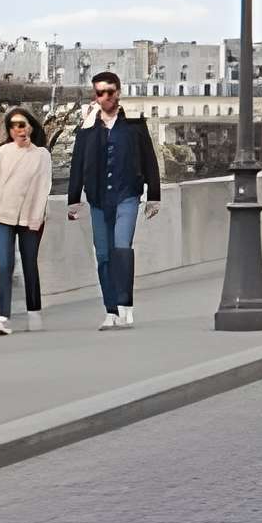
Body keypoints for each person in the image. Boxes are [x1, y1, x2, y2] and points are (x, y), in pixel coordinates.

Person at [68, 70, 164, 329]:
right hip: (98, 198)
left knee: (122, 247)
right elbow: (78, 164)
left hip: (128, 195)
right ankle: (110, 310)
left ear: (118, 93)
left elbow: (149, 159)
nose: (106, 97)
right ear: (95, 96)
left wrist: (153, 195)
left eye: (110, 92)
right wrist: (73, 198)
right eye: (100, 93)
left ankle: (125, 305)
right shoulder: (87, 128)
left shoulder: (134, 124)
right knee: (103, 254)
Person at [0, 107, 52, 336]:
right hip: (1, 215)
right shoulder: (2, 152)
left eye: (23, 124)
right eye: (14, 126)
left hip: (31, 217)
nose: (19, 129)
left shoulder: (42, 155)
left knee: (30, 264)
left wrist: (36, 217)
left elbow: (43, 188)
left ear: (31, 126)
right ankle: (3, 317)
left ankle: (34, 311)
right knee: (5, 264)